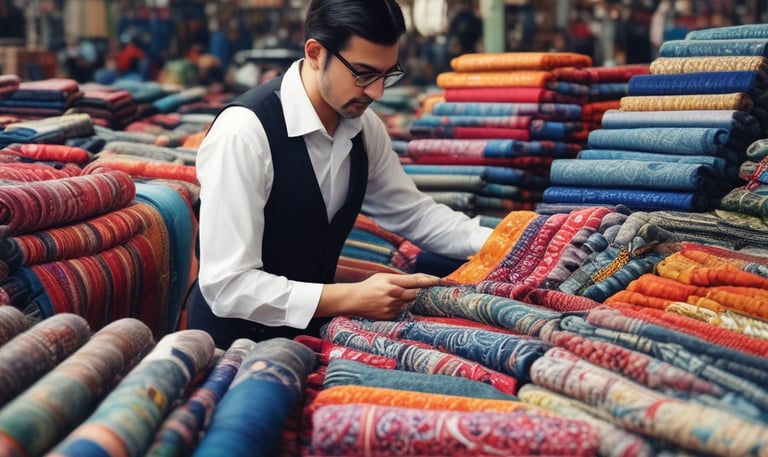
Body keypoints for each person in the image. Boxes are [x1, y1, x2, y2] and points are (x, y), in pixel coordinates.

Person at [187, 0, 493, 349]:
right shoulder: (244, 134)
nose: (376, 92)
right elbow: (228, 286)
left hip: (308, 341)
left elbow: (413, 212)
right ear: (316, 53)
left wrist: (502, 243)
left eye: (387, 74)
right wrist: (351, 297)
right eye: (363, 73)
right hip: (230, 347)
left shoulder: (364, 129)